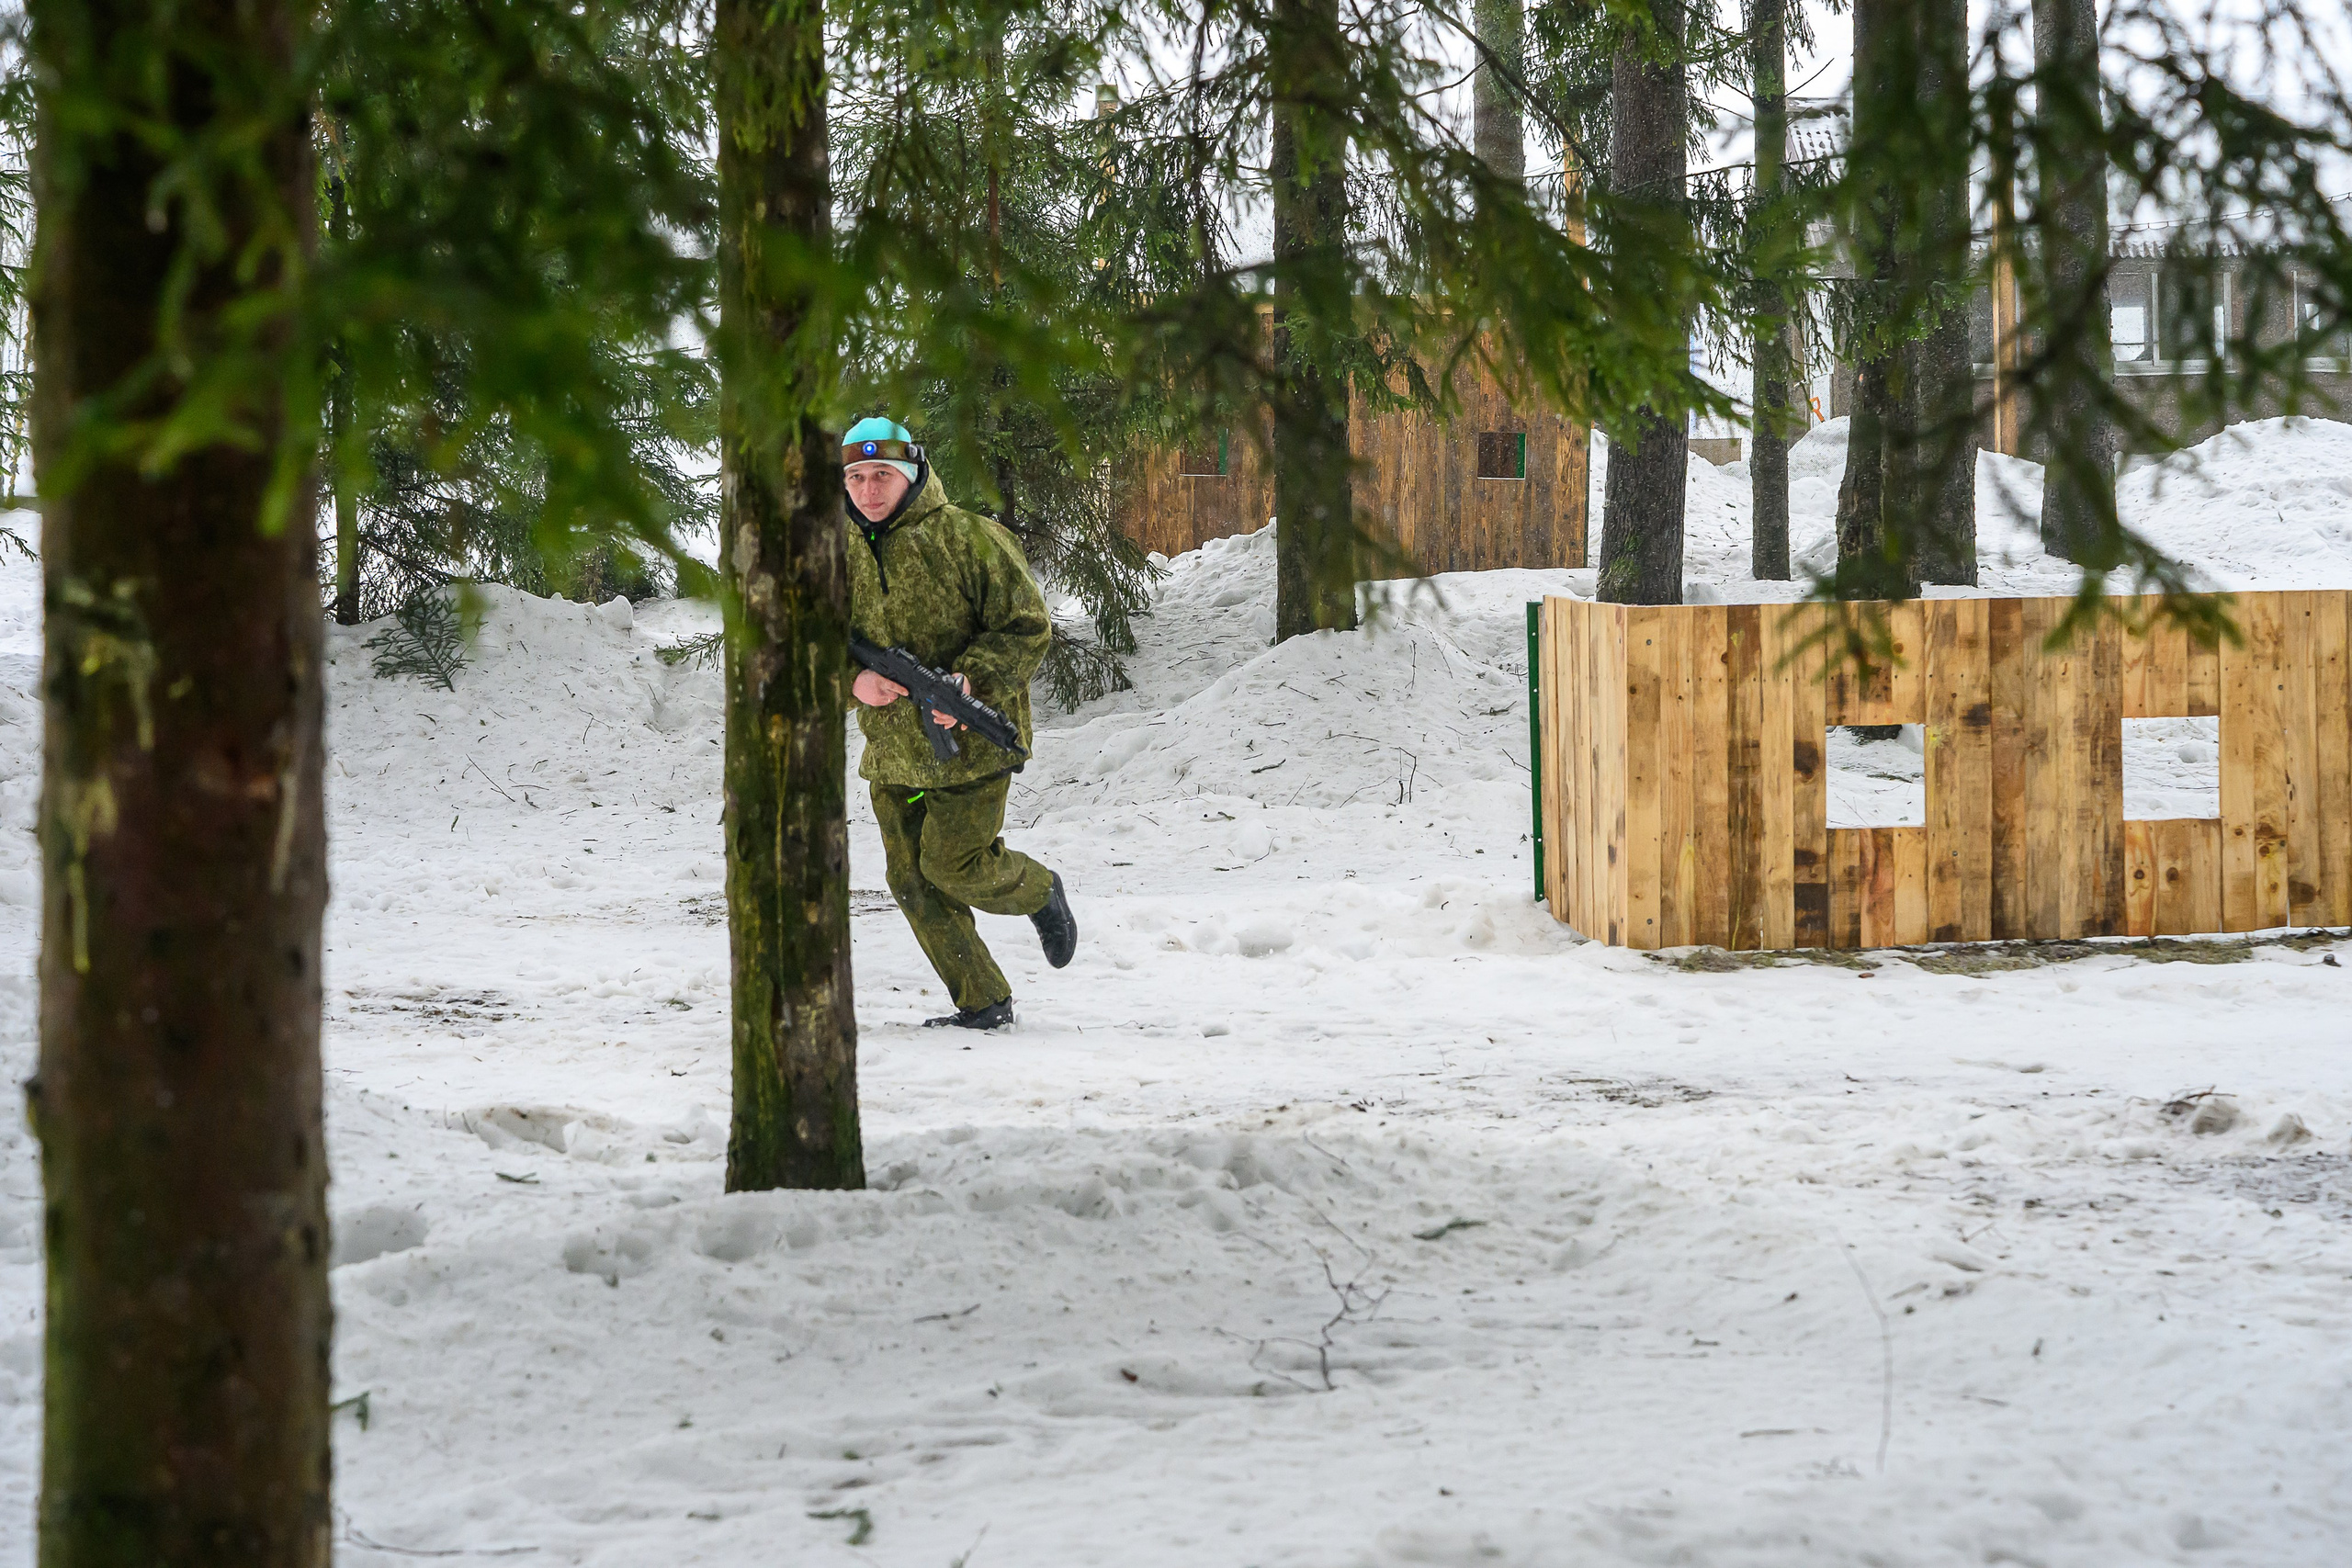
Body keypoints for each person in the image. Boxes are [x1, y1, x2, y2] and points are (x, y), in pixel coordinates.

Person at [842, 416, 1077, 1031]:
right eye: (857, 476)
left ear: (913, 473)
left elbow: (1028, 625)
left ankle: (1038, 889)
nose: (869, 490)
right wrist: (851, 681)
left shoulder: (972, 538)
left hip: (972, 746)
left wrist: (969, 681)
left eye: (883, 475)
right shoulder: (836, 555)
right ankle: (983, 1001)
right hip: (893, 752)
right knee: (910, 879)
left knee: (953, 864)